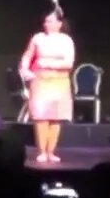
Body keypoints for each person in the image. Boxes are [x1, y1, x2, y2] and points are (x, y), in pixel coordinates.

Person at [19, 12, 75, 163]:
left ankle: (51, 151)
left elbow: (69, 63)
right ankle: (42, 151)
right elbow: (27, 56)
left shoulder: (66, 40)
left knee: (56, 118)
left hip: (59, 80)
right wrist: (25, 70)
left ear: (59, 24)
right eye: (45, 21)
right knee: (41, 117)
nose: (46, 24)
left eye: (50, 21)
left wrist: (48, 63)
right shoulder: (38, 38)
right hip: (41, 80)